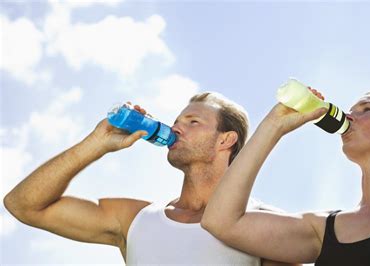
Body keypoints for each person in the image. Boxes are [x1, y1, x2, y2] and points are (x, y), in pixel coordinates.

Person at [4, 92, 295, 265]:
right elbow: (23, 205)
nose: (176, 128)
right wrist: (96, 143)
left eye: (193, 122)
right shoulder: (136, 219)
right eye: (177, 122)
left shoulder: (263, 225)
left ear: (226, 140)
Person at [201, 90, 370, 265]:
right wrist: (274, 126)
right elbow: (221, 221)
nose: (348, 116)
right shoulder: (323, 229)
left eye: (365, 109)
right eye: (350, 110)